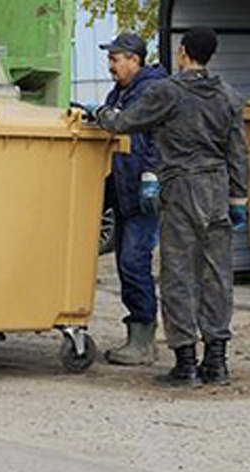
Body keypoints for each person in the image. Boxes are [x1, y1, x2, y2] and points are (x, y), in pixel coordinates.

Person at [97, 28, 249, 387]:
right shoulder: (228, 96)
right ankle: (217, 362)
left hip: (180, 188)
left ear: (183, 53)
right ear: (209, 55)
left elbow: (124, 123)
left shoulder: (169, 92)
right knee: (216, 276)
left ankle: (185, 364)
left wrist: (102, 113)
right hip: (216, 190)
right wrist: (239, 199)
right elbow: (238, 154)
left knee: (178, 275)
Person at [97, 33, 167, 366]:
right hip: (124, 191)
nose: (110, 65)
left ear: (134, 60)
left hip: (143, 192)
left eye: (115, 59)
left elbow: (159, 137)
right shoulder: (121, 91)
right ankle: (138, 335)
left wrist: (153, 175)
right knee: (127, 265)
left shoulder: (152, 91)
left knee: (134, 261)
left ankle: (143, 339)